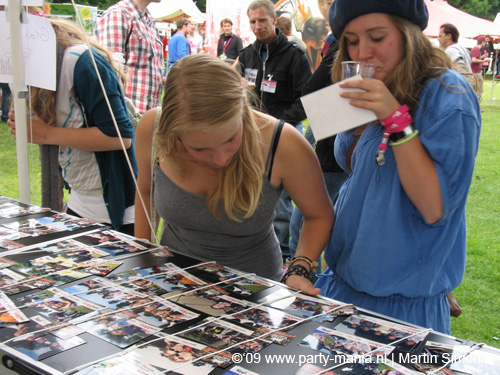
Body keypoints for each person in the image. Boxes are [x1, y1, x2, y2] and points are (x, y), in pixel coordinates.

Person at [312, 0, 481, 334]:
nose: (362, 54)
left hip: (401, 308)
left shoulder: (449, 94)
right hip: (342, 285)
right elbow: (356, 169)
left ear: (409, 35)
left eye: (377, 37)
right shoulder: (372, 82)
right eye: (352, 40)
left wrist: (395, 121)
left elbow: (435, 208)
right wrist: (360, 123)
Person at [134, 54, 333, 286]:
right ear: (173, 135)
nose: (220, 160)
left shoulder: (283, 143)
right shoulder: (152, 129)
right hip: (174, 282)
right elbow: (145, 189)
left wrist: (299, 268)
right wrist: (143, 255)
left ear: (241, 110)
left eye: (230, 139)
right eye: (200, 149)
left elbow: (319, 215)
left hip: (256, 290)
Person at [6, 19, 137, 235]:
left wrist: (46, 133)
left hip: (114, 207)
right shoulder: (30, 66)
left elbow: (120, 137)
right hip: (80, 197)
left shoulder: (81, 62)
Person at [239, 0, 312, 258]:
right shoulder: (247, 55)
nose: (257, 27)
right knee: (249, 191)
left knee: (279, 198)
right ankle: (256, 244)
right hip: (249, 135)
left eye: (262, 20)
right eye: (252, 22)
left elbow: (306, 101)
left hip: (282, 136)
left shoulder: (294, 55)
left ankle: (281, 254)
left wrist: (277, 125)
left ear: (273, 19)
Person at [95, 0, 162, 115]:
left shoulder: (148, 19)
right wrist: (121, 117)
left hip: (147, 115)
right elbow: (110, 72)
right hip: (127, 114)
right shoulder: (118, 14)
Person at [470, 36, 488, 101]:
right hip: (476, 72)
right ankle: (476, 106)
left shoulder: (476, 49)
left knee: (476, 90)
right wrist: (484, 61)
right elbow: (474, 60)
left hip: (476, 72)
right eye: (485, 42)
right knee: (478, 90)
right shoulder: (476, 49)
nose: (485, 44)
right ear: (482, 42)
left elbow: (476, 58)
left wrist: (482, 57)